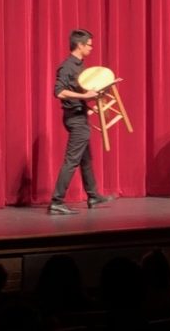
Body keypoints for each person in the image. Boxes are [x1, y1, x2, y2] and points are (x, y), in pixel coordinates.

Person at [49, 29, 113, 215]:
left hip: (80, 115)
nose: (92, 48)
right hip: (75, 119)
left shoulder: (80, 67)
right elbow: (59, 92)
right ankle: (57, 200)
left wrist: (88, 102)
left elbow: (80, 92)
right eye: (90, 45)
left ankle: (93, 195)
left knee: (86, 159)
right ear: (80, 45)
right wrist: (83, 96)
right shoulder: (67, 66)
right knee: (72, 160)